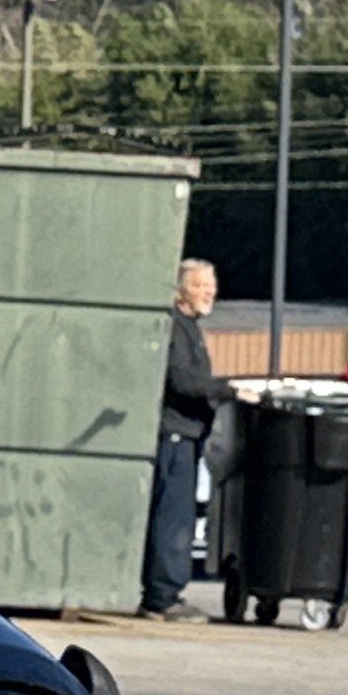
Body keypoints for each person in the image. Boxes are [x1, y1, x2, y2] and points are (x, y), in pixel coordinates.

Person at [144, 258, 221, 614]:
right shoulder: (175, 328)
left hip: (188, 436)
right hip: (175, 435)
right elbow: (182, 381)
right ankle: (163, 596)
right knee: (172, 518)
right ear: (180, 291)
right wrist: (229, 391)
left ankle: (165, 592)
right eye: (200, 285)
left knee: (179, 516)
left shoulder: (189, 327)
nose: (209, 292)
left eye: (211, 285)